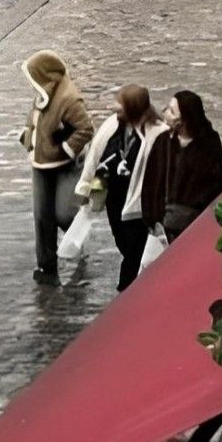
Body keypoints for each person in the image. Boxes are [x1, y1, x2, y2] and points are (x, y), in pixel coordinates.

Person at [78, 86, 168, 290]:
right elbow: (95, 155)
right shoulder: (112, 125)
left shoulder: (157, 133)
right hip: (115, 197)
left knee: (133, 251)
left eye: (120, 104)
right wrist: (87, 189)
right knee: (122, 243)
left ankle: (126, 291)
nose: (114, 107)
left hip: (139, 204)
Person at [18, 50, 93, 282]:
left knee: (63, 213)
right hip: (41, 164)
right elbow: (35, 120)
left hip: (65, 165)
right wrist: (28, 138)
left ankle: (77, 238)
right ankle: (47, 267)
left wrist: (65, 148)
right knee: (42, 216)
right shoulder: (42, 95)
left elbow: (86, 129)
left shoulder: (68, 99)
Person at [140, 90, 222, 245]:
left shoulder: (209, 143)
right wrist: (151, 220)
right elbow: (150, 182)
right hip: (164, 227)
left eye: (172, 111)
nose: (166, 113)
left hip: (196, 227)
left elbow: (220, 182)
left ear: (185, 118)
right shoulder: (163, 142)